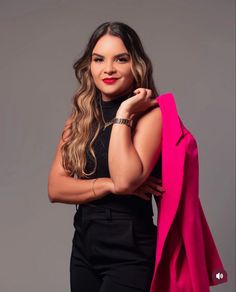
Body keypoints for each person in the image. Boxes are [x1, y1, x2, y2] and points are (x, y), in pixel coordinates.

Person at [48, 21, 165, 292]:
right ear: (89, 65)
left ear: (136, 64)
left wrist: (124, 113)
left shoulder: (151, 115)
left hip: (130, 250)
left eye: (120, 59)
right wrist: (107, 185)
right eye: (99, 59)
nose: (108, 69)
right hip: (84, 245)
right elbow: (55, 187)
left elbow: (125, 181)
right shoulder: (80, 117)